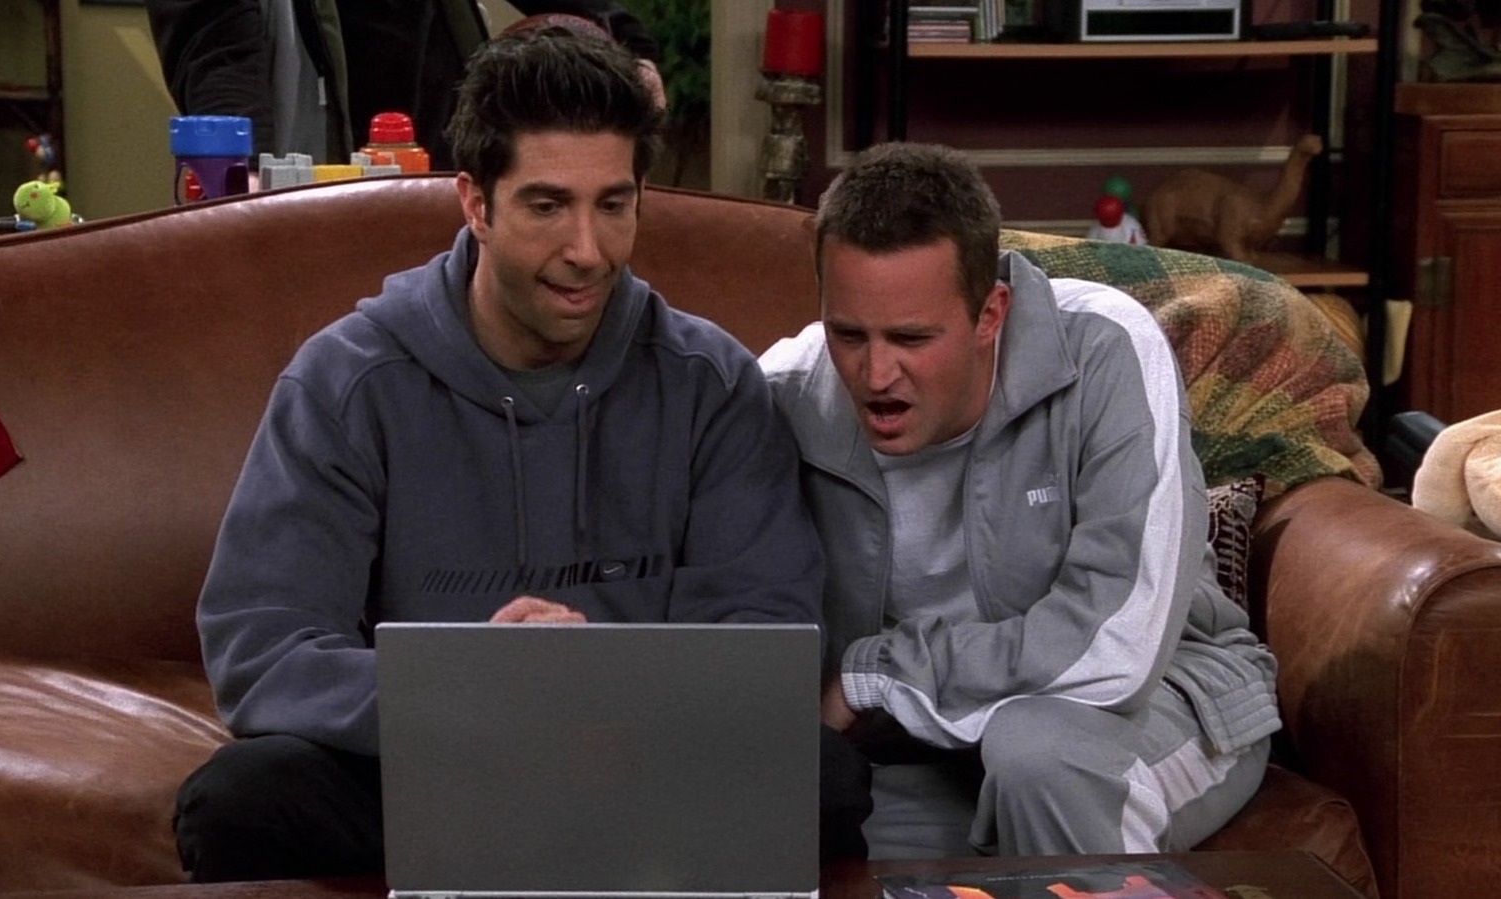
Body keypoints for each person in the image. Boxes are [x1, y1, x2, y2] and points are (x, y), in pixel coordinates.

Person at [173, 26, 823, 882]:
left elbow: (766, 632)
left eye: (614, 205)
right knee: (240, 796)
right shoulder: (347, 381)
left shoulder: (711, 383)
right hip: (428, 763)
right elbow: (265, 649)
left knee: (831, 781)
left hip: (634, 757)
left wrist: (598, 686)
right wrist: (481, 691)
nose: (586, 251)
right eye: (547, 206)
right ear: (476, 204)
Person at [759, 142, 1281, 858]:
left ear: (991, 313)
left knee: (1039, 758)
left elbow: (1117, 648)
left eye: (912, 337)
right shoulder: (781, 393)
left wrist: (876, 674)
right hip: (918, 739)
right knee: (767, 812)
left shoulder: (1107, 348)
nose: (876, 374)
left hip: (1158, 696)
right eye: (848, 334)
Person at [144, 0, 663, 166]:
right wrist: (244, 175)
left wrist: (630, 45)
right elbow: (215, 47)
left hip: (443, 165)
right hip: (315, 176)